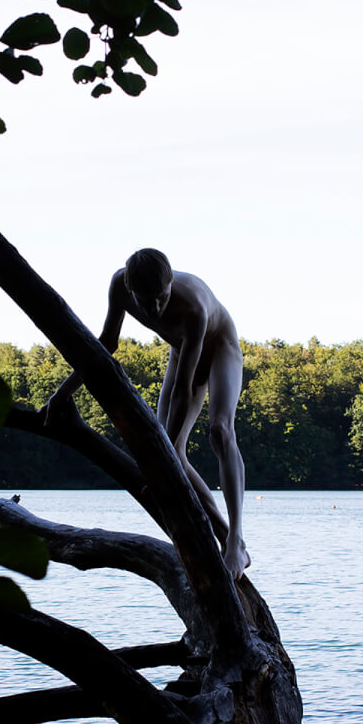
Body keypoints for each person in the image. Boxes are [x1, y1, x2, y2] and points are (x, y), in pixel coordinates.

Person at [43, 248, 250, 580]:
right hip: (182, 350)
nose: (156, 308)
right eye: (147, 300)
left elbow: (184, 388)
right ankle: (226, 538)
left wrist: (161, 462)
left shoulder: (193, 306)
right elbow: (103, 346)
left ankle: (237, 537)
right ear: (129, 286)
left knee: (220, 431)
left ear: (171, 283)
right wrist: (62, 392)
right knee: (175, 454)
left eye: (163, 297)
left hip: (219, 345)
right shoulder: (118, 287)